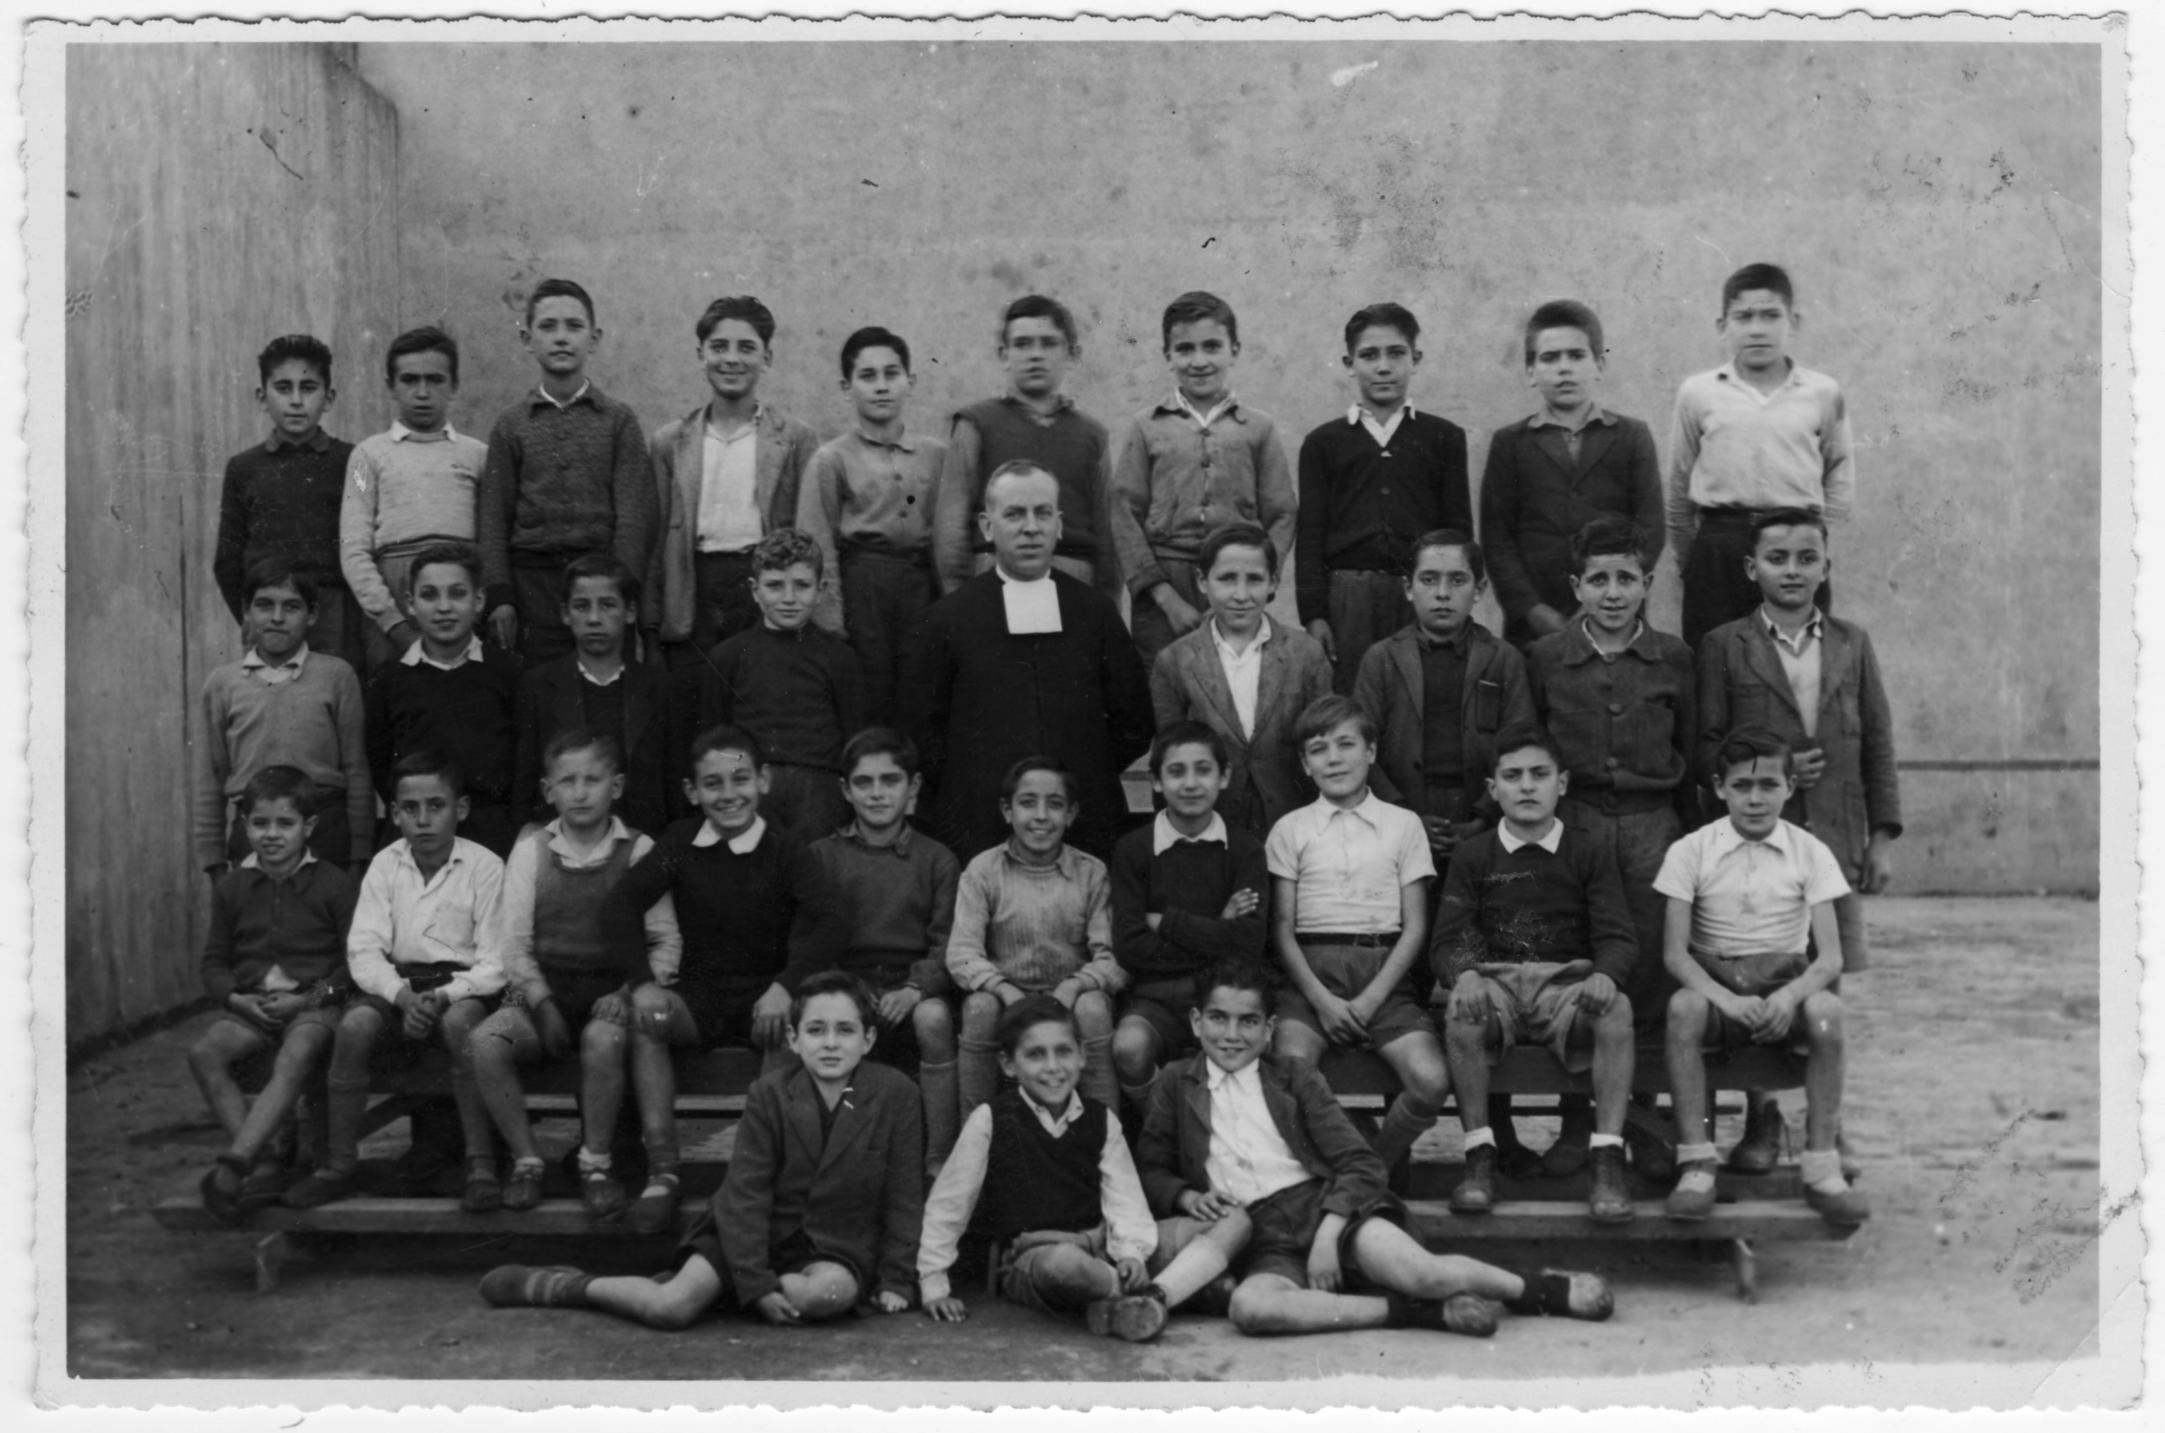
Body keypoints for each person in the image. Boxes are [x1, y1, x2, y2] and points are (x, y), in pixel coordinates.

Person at [1136, 962, 1615, 1338]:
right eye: (1218, 1019)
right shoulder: (1177, 1085)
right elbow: (1153, 1169)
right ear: (1197, 1022)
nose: (1232, 1034)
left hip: (1325, 1208)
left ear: (1269, 1028)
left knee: (1424, 1273)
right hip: (1255, 1239)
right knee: (1252, 1308)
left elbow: (1359, 1161)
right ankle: (1409, 1315)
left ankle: (1537, 1288)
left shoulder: (1293, 1078)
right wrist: (1184, 1197)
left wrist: (1329, 1230)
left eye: (1248, 1021)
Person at [478, 972, 926, 1327]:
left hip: (836, 1246)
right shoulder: (770, 1093)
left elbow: (904, 1194)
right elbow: (745, 1194)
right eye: (816, 1029)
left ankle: (720, 1294)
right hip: (755, 1234)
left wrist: (896, 1278)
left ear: (867, 1040)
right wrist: (755, 1283)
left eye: (845, 1030)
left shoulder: (896, 1094)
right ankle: (569, 1286)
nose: (830, 1043)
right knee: (669, 1309)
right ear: (793, 1039)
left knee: (825, 1294)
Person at [1694, 509, 1898, 1176]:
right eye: (1776, 558)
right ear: (1750, 568)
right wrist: (1777, 763)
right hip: (1756, 841)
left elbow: (1876, 745)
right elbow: (1706, 744)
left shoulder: (1850, 642)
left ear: (1825, 567)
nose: (1791, 570)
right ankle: (1760, 1120)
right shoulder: (1724, 644)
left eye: (1805, 557)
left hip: (1832, 840)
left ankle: (1824, 1127)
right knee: (1759, 976)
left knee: (1822, 992)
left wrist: (1882, 837)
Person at [605, 724, 848, 1234]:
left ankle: (746, 1181)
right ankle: (664, 1172)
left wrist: (786, 985)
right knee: (646, 1017)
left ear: (763, 781)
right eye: (712, 784)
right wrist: (643, 981)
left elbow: (830, 921)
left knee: (792, 1031)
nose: (728, 794)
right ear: (693, 792)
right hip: (702, 995)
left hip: (769, 995)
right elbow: (621, 903)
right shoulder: (680, 843)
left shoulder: (785, 848)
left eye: (740, 779)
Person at [918, 995, 1250, 1342]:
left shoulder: (1100, 1119)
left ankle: (1153, 1297)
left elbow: (1125, 1198)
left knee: (1235, 1221)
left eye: (1063, 1052)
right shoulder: (991, 1119)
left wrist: (1131, 1254)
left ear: (1081, 1055)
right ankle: (1181, 1288)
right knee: (1066, 1265)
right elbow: (950, 1203)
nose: (1052, 1067)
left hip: (1104, 1244)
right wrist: (933, 1282)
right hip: (1037, 1257)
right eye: (1035, 1055)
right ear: (1008, 1064)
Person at [1524, 515, 1697, 1176]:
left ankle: (1644, 1121)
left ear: (1647, 582)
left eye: (1626, 577)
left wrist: (1688, 843)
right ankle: (1578, 1122)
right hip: (1577, 828)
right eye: (1597, 579)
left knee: (1650, 973)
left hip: (1655, 830)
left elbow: (1691, 750)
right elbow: (1531, 752)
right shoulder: (1544, 659)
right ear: (1575, 585)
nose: (1612, 591)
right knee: (1581, 971)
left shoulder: (1675, 659)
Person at [1656, 729, 1869, 1226]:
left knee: (1827, 1013)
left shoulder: (1810, 851)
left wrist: (1790, 997)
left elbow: (1830, 958)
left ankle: (1820, 1166)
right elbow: (1675, 955)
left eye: (1769, 784)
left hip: (1783, 984)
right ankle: (1697, 1161)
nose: (1755, 798)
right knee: (1682, 1008)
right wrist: (1727, 1002)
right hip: (1716, 985)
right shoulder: (1691, 850)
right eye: (1743, 785)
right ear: (1719, 787)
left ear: (1790, 787)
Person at [467, 730, 681, 1217]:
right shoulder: (532, 851)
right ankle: (526, 1160)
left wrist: (630, 992)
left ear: (617, 785)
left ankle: (595, 1163)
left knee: (604, 1041)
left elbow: (664, 941)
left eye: (593, 779)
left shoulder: (641, 849)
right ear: (548, 791)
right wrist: (539, 1000)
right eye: (567, 781)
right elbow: (514, 946)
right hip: (545, 989)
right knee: (484, 1042)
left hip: (613, 989)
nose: (580, 792)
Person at [1429, 727, 1639, 1224]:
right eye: (1512, 776)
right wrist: (1464, 976)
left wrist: (1606, 974)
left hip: (1565, 988)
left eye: (1539, 775)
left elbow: (1617, 934)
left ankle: (1606, 1159)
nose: (1526, 787)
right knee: (1461, 1011)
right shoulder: (1474, 854)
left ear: (1562, 784)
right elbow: (1449, 937)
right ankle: (1480, 1156)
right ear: (1493, 787)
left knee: (1618, 1010)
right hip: (1496, 985)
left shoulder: (1588, 849)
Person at [282, 751, 506, 1209]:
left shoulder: (485, 866)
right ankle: (339, 1166)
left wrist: (440, 997)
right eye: (410, 809)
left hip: (461, 987)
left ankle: (480, 1165)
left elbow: (495, 963)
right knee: (354, 1026)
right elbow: (364, 951)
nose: (423, 820)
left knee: (463, 1026)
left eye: (436, 806)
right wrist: (403, 997)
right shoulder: (386, 865)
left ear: (459, 809)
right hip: (398, 985)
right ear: (395, 813)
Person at [900, 460, 1152, 862]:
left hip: (1081, 820)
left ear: (1060, 524)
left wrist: (1082, 767)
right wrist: (977, 778)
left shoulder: (1095, 613)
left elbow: (1134, 722)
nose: (1030, 527)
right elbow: (921, 729)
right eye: (1014, 514)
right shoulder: (948, 619)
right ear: (987, 526)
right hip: (978, 824)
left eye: (1043, 513)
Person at [1263, 695, 1450, 1172]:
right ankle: (1339, 1168)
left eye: (1347, 744)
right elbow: (1282, 929)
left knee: (1430, 1079)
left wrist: (1370, 1001)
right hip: (1311, 976)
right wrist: (1323, 1002)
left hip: (1384, 976)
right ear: (1305, 764)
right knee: (1290, 1069)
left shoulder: (1403, 825)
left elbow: (1416, 927)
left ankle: (1370, 1167)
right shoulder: (1290, 829)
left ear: (1370, 752)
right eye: (1319, 749)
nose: (1334, 757)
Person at [190, 767, 359, 1222]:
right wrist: (234, 999)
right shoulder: (232, 887)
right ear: (244, 826)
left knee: (298, 1048)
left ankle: (235, 1164)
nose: (271, 835)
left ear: (309, 827)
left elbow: (352, 967)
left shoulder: (334, 884)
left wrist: (308, 1000)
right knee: (205, 1054)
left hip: (313, 1005)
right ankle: (263, 1160)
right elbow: (213, 962)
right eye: (259, 823)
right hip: (253, 1006)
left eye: (285, 823)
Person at [1667, 262, 1854, 649]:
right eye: (1744, 316)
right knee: (1715, 668)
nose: (1757, 328)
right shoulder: (1699, 393)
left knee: (1797, 664)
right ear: (1723, 325)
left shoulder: (1822, 392)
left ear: (1793, 322)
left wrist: (1811, 547)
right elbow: (1678, 486)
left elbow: (1838, 476)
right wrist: (1695, 562)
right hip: (1720, 545)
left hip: (1792, 545)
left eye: (1771, 315)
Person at [1109, 290, 1296, 668]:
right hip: (1165, 583)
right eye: (1185, 349)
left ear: (1234, 350)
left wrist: (1253, 583)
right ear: (1167, 355)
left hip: (1234, 578)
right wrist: (1163, 596)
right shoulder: (1147, 427)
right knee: (1164, 684)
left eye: (1212, 347)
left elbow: (1282, 513)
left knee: (1233, 678)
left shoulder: (1258, 428)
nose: (1199, 361)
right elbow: (1123, 513)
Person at [805, 727, 964, 1170]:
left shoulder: (937, 860)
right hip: (847, 983)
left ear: (912, 788)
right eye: (864, 783)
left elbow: (948, 941)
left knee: (934, 1019)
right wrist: (848, 987)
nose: (877, 794)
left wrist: (916, 988)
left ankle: (939, 1156)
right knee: (834, 1019)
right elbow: (812, 938)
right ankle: (834, 1155)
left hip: (911, 988)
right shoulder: (822, 857)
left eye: (890, 781)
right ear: (845, 790)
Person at [478, 277, 657, 663]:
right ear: (527, 339)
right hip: (532, 588)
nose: (561, 338)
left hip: (600, 582)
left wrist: (620, 591)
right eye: (548, 327)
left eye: (574, 327)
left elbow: (634, 518)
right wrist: (500, 595)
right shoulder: (510, 426)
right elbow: (492, 518)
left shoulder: (618, 421)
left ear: (594, 338)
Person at [1295, 303, 1472, 690]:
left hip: (1422, 594)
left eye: (1396, 353)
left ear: (1415, 359)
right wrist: (1314, 614)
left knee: (1421, 693)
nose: (1383, 366)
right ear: (1349, 363)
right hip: (1349, 599)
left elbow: (1458, 530)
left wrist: (1453, 597)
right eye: (1369, 355)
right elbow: (1310, 535)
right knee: (1354, 697)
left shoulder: (1443, 437)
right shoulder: (1323, 443)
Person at [944, 757, 1124, 1118]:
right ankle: (975, 1134)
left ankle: (1106, 1135)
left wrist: (1075, 987)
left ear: (1071, 814)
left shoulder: (1091, 872)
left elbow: (1112, 959)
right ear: (1007, 811)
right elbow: (961, 954)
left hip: (1069, 998)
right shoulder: (983, 870)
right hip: (1007, 996)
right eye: (1028, 803)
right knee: (978, 1008)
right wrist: (1004, 990)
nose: (1041, 816)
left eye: (1054, 804)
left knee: (1094, 1007)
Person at [647, 295, 822, 667]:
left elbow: (808, 537)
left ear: (767, 358)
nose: (731, 359)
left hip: (762, 582)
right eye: (719, 347)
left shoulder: (794, 439)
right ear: (701, 355)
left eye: (746, 348)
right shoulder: (670, 441)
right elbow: (658, 535)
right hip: (694, 585)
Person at [1479, 300, 1663, 650]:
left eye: (1576, 356)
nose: (1564, 368)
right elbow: (1497, 540)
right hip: (1535, 623)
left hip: (1615, 611)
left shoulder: (1631, 435)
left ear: (1599, 364)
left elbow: (1651, 528)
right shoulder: (1510, 443)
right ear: (1530, 371)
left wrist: (1603, 600)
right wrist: (1533, 611)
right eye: (1550, 358)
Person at [1352, 530, 1535, 874]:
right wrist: (1403, 815)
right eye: (1429, 579)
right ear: (1408, 587)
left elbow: (1522, 745)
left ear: (1479, 590)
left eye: (1458, 580)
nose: (1442, 593)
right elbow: (1361, 750)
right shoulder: (1382, 660)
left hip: (1484, 816)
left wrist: (1483, 817)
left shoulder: (1503, 659)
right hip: (1401, 816)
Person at [1110, 723, 1268, 1113]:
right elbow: (1131, 949)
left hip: (1226, 997)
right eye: (1177, 772)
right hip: (1156, 1000)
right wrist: (1218, 925)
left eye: (1203, 770)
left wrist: (1166, 923)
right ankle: (1164, 1131)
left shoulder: (1245, 849)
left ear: (1225, 776)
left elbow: (1248, 943)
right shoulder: (1134, 849)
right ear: (1157, 782)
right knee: (1129, 1047)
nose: (1191, 783)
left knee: (1253, 1052)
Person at [794, 325, 948, 723]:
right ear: (847, 387)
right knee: (870, 697)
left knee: (923, 696)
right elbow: (816, 543)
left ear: (910, 381)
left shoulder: (936, 455)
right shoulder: (832, 459)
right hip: (863, 587)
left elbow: (950, 534)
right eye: (867, 376)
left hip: (921, 587)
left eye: (891, 374)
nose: (881, 386)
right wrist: (830, 620)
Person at [1149, 521, 1334, 838]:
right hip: (1211, 824)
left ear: (1273, 582)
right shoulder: (1174, 661)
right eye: (1227, 579)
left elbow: (1323, 745)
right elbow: (1169, 754)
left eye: (1254, 579)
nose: (1241, 594)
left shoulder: (1306, 655)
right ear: (1202, 581)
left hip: (1293, 821)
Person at [932, 294, 1120, 600]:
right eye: (1022, 344)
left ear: (1071, 354)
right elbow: (951, 524)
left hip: (1074, 579)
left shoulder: (1091, 434)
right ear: (1004, 354)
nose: (1036, 355)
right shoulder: (976, 424)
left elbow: (1107, 531)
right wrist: (958, 599)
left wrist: (1108, 602)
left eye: (1048, 344)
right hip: (992, 575)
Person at [192, 559, 372, 878]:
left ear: (312, 614)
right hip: (254, 830)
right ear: (247, 611)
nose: (277, 618)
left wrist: (359, 851)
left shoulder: (337, 676)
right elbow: (211, 778)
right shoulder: (223, 684)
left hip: (325, 830)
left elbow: (357, 769)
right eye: (264, 605)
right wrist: (214, 860)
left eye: (291, 607)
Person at [685, 528, 864, 844]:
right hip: (751, 787)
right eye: (775, 586)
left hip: (819, 790)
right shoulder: (728, 656)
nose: (789, 598)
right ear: (754, 590)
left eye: (802, 586)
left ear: (821, 589)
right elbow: (714, 735)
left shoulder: (839, 657)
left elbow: (854, 737)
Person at [339, 325, 488, 670]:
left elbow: (490, 541)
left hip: (459, 595)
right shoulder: (367, 456)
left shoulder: (477, 455)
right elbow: (354, 546)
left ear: (454, 386)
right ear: (391, 386)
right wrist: (391, 620)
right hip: (393, 598)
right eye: (409, 380)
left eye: (435, 380)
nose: (422, 392)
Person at [363, 541, 523, 858]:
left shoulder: (508, 671)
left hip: (491, 833)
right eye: (429, 595)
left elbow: (522, 760)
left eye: (457, 593)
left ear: (479, 600)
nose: (444, 607)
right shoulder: (389, 679)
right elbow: (380, 760)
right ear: (410, 603)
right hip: (417, 832)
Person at [215, 334, 364, 672]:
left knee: (333, 700)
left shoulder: (354, 460)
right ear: (262, 397)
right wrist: (253, 615)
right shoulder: (243, 467)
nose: (296, 400)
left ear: (329, 398)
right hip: (270, 611)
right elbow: (227, 559)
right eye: (283, 388)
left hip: (334, 612)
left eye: (308, 388)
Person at [511, 554, 677, 843]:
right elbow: (524, 784)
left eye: (608, 605)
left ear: (630, 612)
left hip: (643, 845)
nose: (594, 618)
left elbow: (673, 782)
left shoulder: (659, 686)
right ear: (565, 613)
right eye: (581, 606)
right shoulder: (539, 686)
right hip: (564, 846)